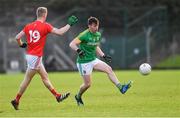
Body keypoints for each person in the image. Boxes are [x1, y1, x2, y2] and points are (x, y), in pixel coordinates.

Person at [11, 7, 78, 110]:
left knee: (45, 76)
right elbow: (60, 32)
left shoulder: (28, 26)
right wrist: (69, 24)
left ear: (37, 14)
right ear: (45, 14)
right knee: (27, 79)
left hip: (30, 55)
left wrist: (21, 45)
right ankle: (16, 100)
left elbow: (17, 37)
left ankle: (57, 96)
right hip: (36, 57)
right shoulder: (45, 26)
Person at [69, 16, 132, 106]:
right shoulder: (84, 35)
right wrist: (78, 50)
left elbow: (95, 46)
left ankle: (121, 87)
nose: (96, 28)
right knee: (87, 84)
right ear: (89, 26)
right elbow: (72, 44)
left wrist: (103, 55)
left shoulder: (98, 34)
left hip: (93, 59)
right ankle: (78, 96)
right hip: (83, 62)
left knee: (109, 69)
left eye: (97, 25)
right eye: (94, 26)